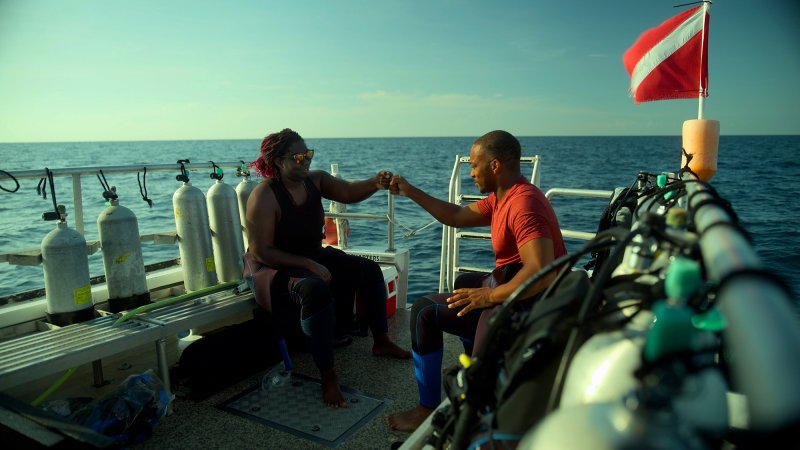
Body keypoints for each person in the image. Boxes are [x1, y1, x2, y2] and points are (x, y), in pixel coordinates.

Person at [385, 130, 567, 431]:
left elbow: (540, 270)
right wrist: (410, 191)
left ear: (495, 165)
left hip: (527, 302)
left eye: (474, 165)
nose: (470, 173)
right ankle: (476, 356)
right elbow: (455, 215)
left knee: (423, 312)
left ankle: (427, 409)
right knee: (463, 281)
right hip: (513, 286)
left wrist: (488, 298)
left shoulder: (524, 204)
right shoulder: (502, 197)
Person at [245, 128, 410, 408]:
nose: (305, 160)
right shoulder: (264, 195)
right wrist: (306, 264)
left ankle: (381, 340)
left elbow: (347, 191)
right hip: (272, 269)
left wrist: (375, 183)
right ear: (277, 161)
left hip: (311, 256)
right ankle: (328, 376)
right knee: (315, 290)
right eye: (298, 156)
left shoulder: (316, 181)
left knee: (368, 271)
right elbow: (262, 251)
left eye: (308, 154)